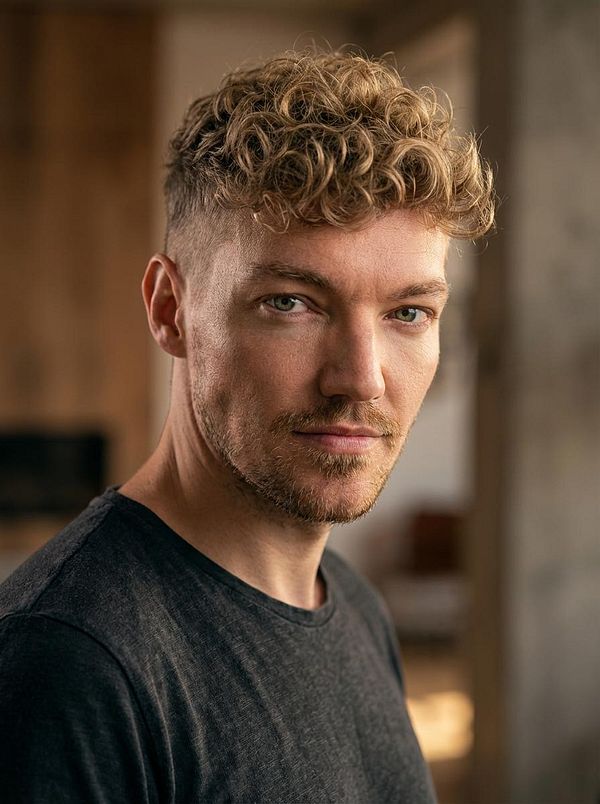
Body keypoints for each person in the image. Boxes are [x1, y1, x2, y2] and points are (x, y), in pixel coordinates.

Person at [0, 50, 493, 803]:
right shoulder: (70, 663)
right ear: (171, 309)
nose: (361, 377)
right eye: (291, 302)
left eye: (407, 313)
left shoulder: (353, 605)